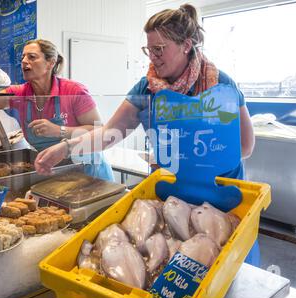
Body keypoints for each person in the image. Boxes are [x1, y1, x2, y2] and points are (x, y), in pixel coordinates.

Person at [34, 4, 259, 266]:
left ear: (186, 45)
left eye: (159, 49)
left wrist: (191, 157)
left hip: (222, 202)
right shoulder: (146, 88)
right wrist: (66, 147)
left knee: (222, 276)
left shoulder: (221, 84)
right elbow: (109, 134)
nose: (152, 56)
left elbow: (245, 146)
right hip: (171, 202)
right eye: (148, 49)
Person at [0, 39, 114, 181]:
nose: (24, 61)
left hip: (90, 173)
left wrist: (59, 130)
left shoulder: (73, 90)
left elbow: (99, 130)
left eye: (31, 57)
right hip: (56, 175)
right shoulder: (20, 93)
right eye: (23, 57)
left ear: (50, 63)